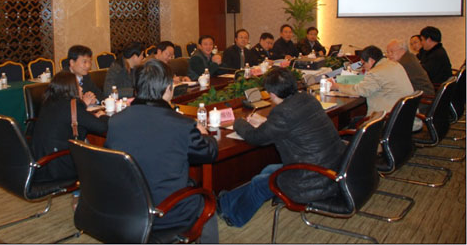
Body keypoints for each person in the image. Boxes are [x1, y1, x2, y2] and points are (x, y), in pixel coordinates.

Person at [105, 59, 219, 243]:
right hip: (166, 213)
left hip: (126, 209)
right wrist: (204, 133)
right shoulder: (182, 125)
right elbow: (210, 153)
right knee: (207, 201)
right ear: (168, 88)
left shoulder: (116, 121)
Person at [217, 67, 346, 227]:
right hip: (333, 168)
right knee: (269, 170)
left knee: (260, 183)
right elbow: (294, 126)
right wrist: (266, 122)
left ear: (272, 94)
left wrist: (238, 122)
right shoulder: (307, 99)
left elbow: (256, 138)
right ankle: (225, 201)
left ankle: (235, 217)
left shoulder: (282, 112)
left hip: (313, 181)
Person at [32, 71, 109, 182]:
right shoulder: (72, 106)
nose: (81, 89)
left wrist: (83, 104)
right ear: (71, 88)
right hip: (59, 165)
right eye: (78, 86)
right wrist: (102, 116)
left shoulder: (49, 102)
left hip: (42, 162)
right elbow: (102, 127)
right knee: (103, 161)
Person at [330, 45, 413, 117]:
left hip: (387, 119)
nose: (363, 67)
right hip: (404, 117)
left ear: (371, 60)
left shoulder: (376, 72)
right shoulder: (394, 64)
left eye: (363, 64)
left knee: (353, 123)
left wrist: (337, 86)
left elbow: (360, 91)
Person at [386, 39, 434, 131]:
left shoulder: (403, 64)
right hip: (423, 94)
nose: (389, 55)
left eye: (392, 51)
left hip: (422, 99)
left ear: (402, 50)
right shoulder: (409, 57)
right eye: (387, 52)